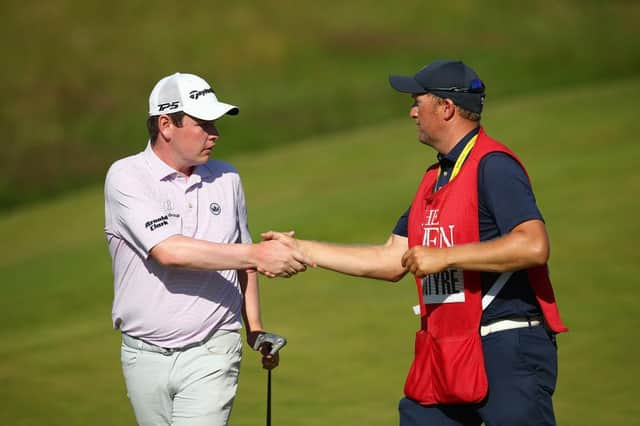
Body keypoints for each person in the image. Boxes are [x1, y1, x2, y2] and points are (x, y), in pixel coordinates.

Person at [264, 60, 568, 425]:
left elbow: (533, 245)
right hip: (447, 347)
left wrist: (445, 257)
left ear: (446, 107)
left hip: (506, 347)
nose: (411, 112)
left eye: (417, 101)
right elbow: (393, 258)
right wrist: (303, 250)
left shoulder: (495, 165)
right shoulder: (435, 177)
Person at [104, 72, 307, 426]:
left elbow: (242, 257)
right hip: (142, 354)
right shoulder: (126, 177)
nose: (215, 133)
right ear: (166, 125)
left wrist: (255, 328)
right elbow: (169, 251)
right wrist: (258, 254)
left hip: (214, 346)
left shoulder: (227, 179)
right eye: (203, 123)